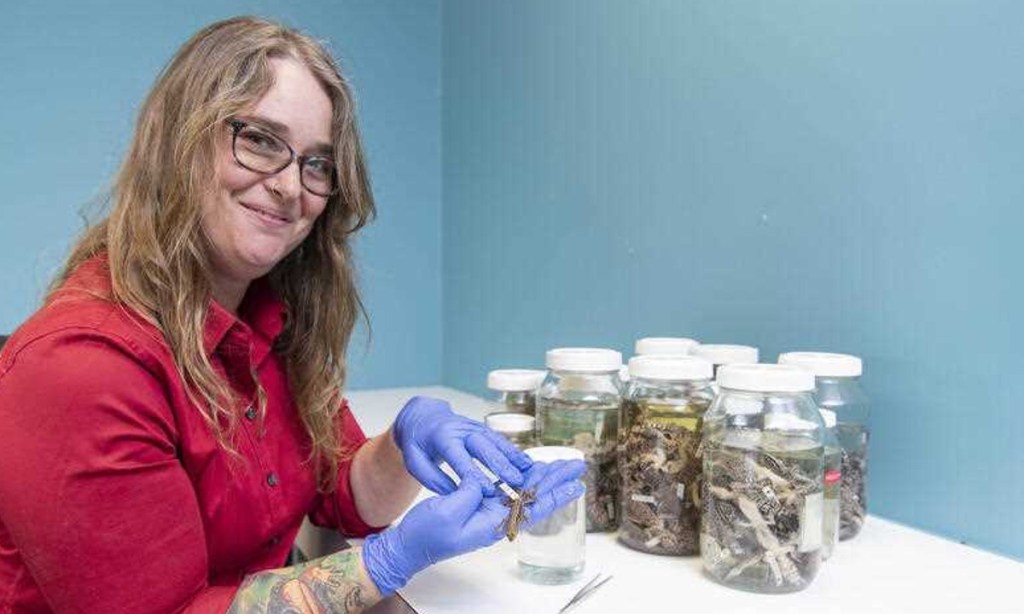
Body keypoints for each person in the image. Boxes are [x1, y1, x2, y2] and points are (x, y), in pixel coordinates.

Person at [0, 16, 585, 613]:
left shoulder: (268, 320)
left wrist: (404, 446)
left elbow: (337, 494)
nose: (290, 186)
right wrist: (389, 561)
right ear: (177, 142)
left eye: (317, 164)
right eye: (259, 140)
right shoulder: (81, 368)